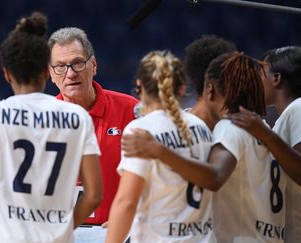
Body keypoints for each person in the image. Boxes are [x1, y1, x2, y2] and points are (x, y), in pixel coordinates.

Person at [0, 12, 102, 243]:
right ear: (47, 71)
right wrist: (63, 229)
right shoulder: (77, 118)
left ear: (5, 74)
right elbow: (93, 195)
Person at [123, 52, 286, 242]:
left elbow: (214, 177)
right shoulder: (264, 129)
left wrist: (159, 150)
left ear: (209, 89)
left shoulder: (230, 128)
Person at [105, 50, 215, 243]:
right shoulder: (202, 127)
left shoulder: (141, 131)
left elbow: (126, 202)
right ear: (182, 88)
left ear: (139, 85)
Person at [47, 27, 138, 232]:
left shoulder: (131, 110)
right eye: (60, 67)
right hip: (60, 234)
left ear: (94, 65)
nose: (70, 74)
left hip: (115, 233)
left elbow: (157, 175)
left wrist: (136, 215)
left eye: (78, 63)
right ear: (51, 74)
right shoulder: (41, 120)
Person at [226, 46, 301, 242]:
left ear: (276, 79)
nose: (256, 81)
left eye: (261, 74)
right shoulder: (285, 117)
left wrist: (266, 136)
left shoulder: (298, 109)